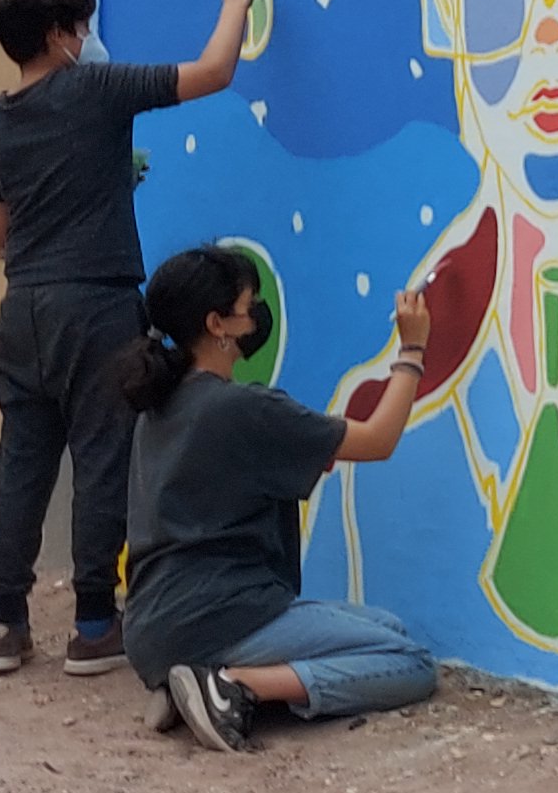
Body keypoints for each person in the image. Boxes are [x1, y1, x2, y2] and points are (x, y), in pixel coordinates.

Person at [0, 0, 253, 676]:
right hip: (92, 305)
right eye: (82, 28)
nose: (89, 39)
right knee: (102, 460)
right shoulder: (93, 89)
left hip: (22, 310)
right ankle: (95, 623)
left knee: (22, 466)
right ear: (60, 35)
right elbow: (214, 71)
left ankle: (5, 623)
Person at [121, 243, 441, 752]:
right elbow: (378, 440)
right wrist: (413, 350)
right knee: (411, 663)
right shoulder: (243, 408)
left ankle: (187, 682)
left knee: (387, 626)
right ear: (217, 324)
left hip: (152, 625)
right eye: (249, 307)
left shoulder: (160, 406)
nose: (257, 317)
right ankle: (234, 686)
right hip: (220, 614)